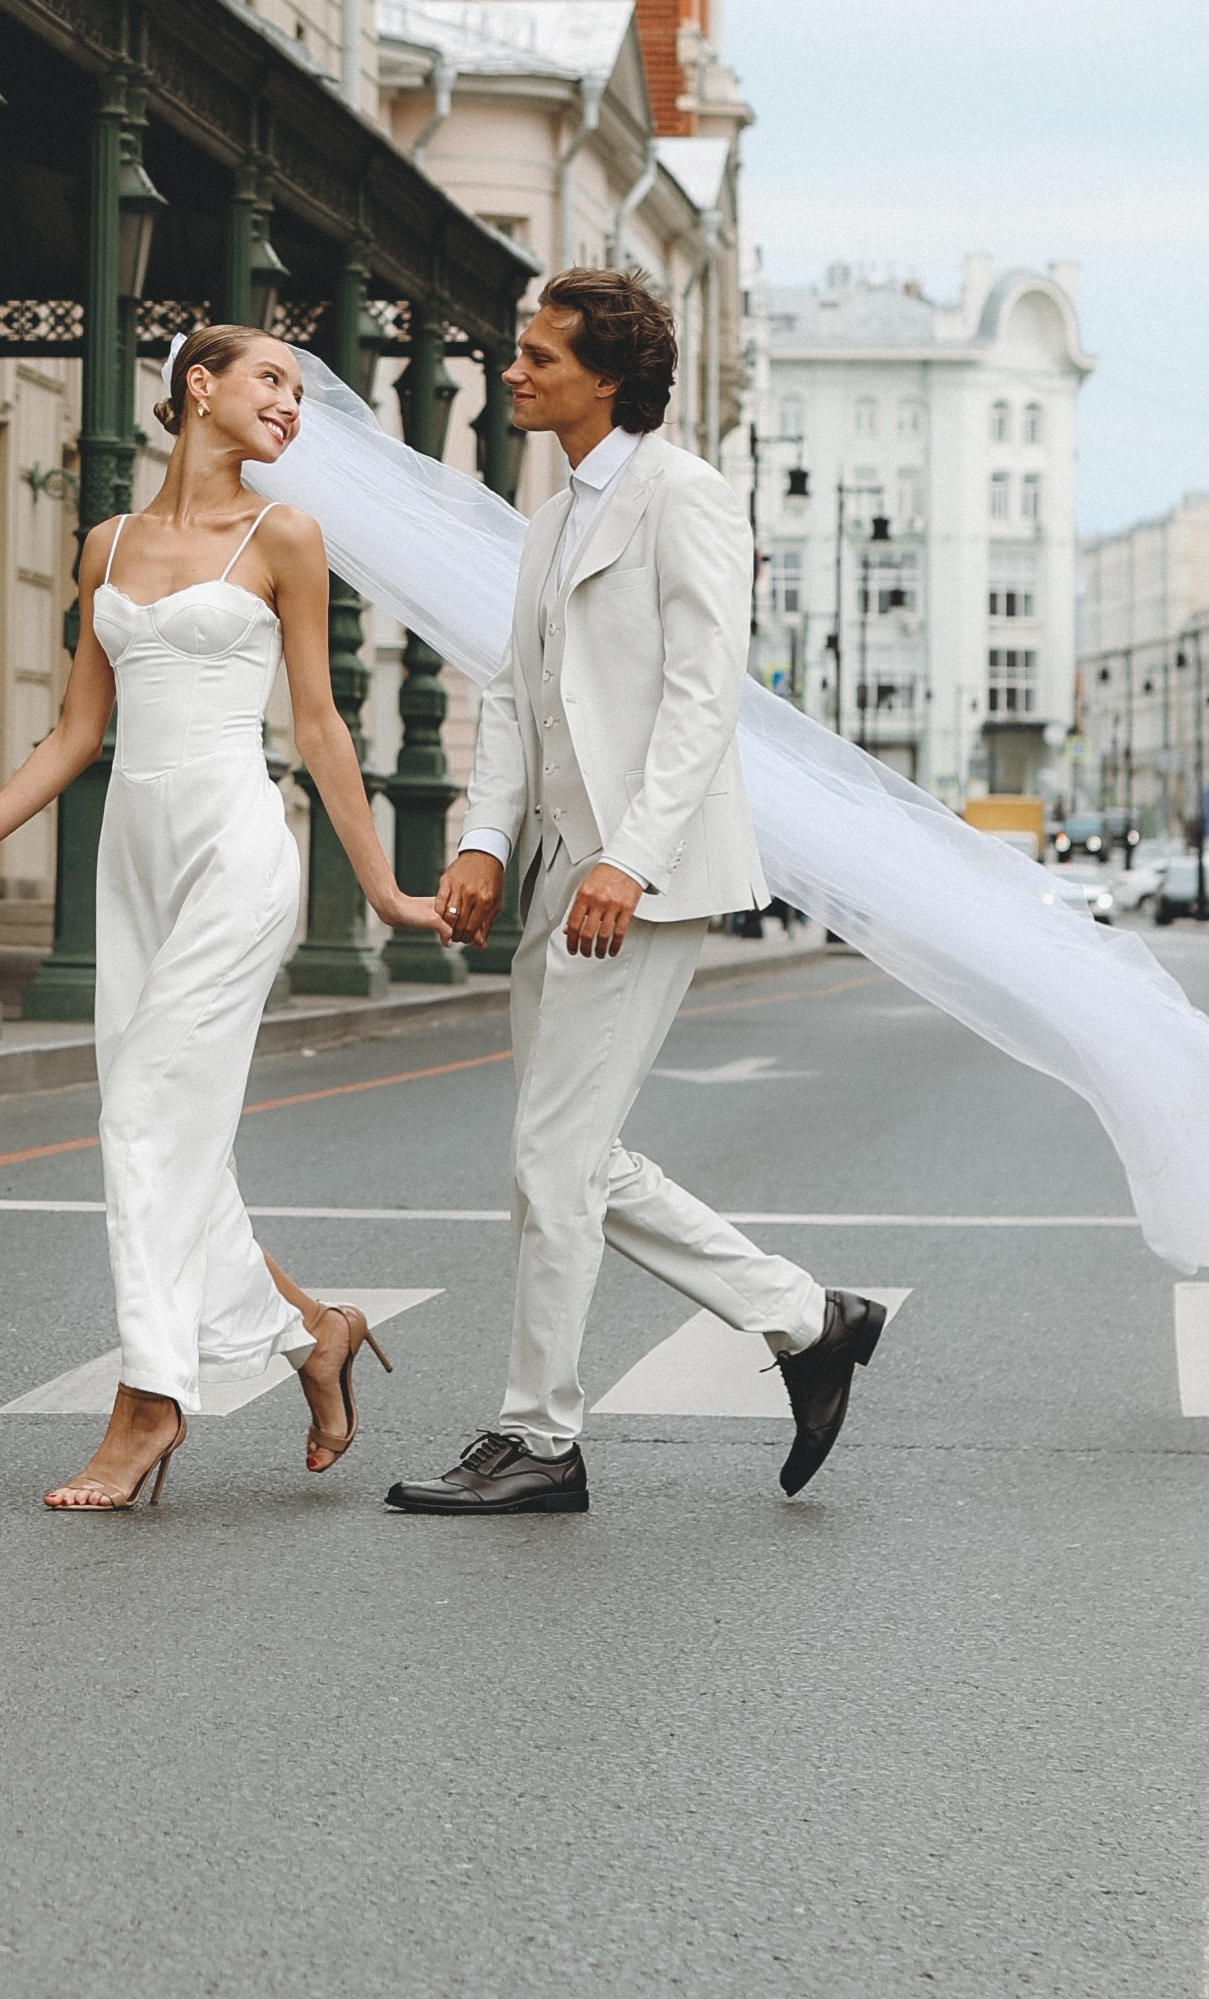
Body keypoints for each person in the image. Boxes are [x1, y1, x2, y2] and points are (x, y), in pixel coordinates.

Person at [0, 325, 448, 1512]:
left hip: (236, 850)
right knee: (166, 1136)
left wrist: (390, 889)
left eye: (302, 394)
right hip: (131, 860)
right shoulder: (106, 545)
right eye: (272, 382)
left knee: (147, 1118)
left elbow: (319, 729)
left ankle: (151, 1401)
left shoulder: (285, 537)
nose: (292, 407)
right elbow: (74, 734)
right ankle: (316, 1335)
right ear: (197, 388)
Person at [387, 269, 885, 1519]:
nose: (514, 371)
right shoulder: (550, 519)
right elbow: (513, 692)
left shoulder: (687, 497)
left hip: (639, 883)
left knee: (551, 1163)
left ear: (607, 377)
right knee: (573, 1156)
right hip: (561, 871)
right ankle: (803, 1317)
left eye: (539, 356)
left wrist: (631, 858)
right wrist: (487, 840)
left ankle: (539, 1436)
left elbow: (702, 698)